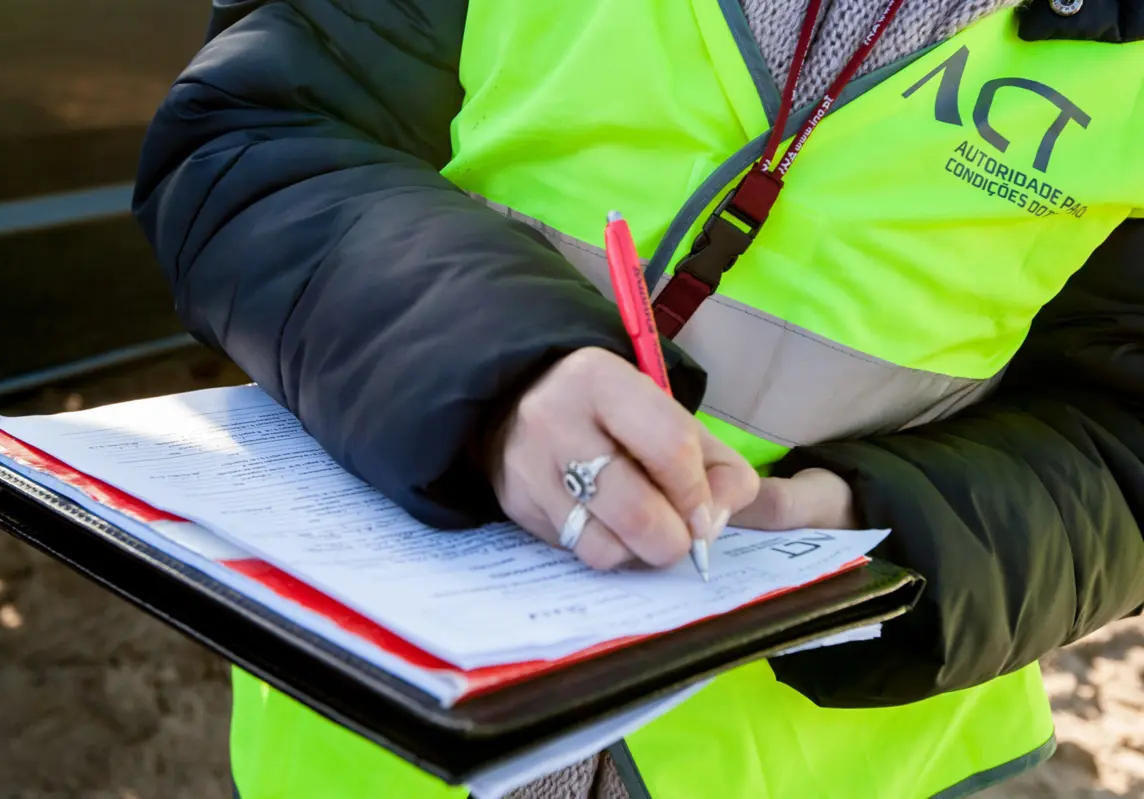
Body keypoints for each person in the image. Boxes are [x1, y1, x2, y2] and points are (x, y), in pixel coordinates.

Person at [133, 0, 1144, 796]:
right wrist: (499, 384)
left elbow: (1122, 446)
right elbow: (252, 135)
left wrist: (857, 546)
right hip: (376, 742)